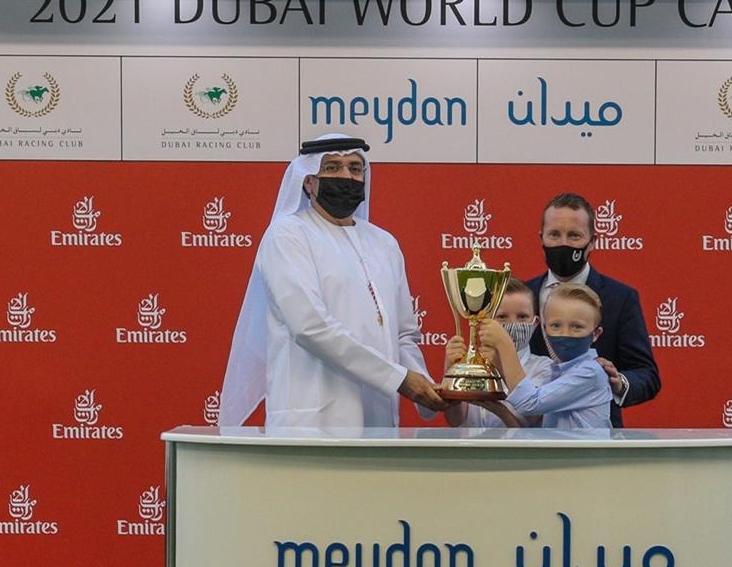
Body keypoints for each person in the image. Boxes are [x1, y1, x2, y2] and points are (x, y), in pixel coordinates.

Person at [220, 134, 444, 429]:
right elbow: (310, 326)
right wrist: (398, 379)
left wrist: (425, 388)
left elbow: (403, 334)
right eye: (332, 168)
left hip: (379, 419)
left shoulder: (384, 243)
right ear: (308, 181)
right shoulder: (288, 235)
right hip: (312, 420)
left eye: (354, 168)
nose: (346, 176)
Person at [524, 192, 658, 427]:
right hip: (525, 437)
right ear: (541, 238)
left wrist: (618, 381)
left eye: (574, 236)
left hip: (594, 443)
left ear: (592, 241)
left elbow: (647, 374)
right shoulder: (521, 296)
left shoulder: (621, 298)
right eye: (554, 234)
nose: (563, 243)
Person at [481, 282, 613, 430]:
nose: (565, 333)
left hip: (583, 453)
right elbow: (532, 422)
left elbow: (529, 403)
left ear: (595, 334)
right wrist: (500, 409)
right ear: (545, 329)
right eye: (556, 325)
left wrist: (504, 344)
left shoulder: (590, 372)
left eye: (577, 327)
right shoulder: (554, 370)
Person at [443, 277, 550, 428]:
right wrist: (450, 373)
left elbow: (530, 427)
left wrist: (499, 410)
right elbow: (456, 420)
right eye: (502, 317)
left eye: (522, 317)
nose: (513, 323)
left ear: (536, 322)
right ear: (485, 321)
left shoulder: (545, 368)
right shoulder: (470, 364)